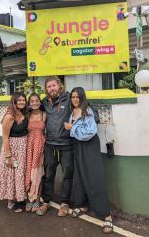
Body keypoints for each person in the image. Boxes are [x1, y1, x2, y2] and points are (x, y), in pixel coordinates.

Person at [64, 87, 113, 234]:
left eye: (78, 97)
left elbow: (90, 132)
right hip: (77, 146)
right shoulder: (72, 112)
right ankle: (82, 204)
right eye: (73, 97)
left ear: (82, 97)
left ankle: (107, 215)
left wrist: (72, 128)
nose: (75, 99)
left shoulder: (88, 111)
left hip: (89, 145)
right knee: (79, 175)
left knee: (94, 177)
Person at [36, 76, 73, 217]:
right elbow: (29, 109)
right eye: (49, 87)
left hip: (66, 145)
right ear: (46, 89)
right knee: (49, 174)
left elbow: (83, 108)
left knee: (67, 174)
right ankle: (46, 201)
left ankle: (64, 203)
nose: (51, 88)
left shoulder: (69, 98)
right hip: (50, 145)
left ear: (59, 85)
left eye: (53, 85)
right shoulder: (44, 102)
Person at [0, 92, 28, 212]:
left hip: (23, 148)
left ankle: (19, 197)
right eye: (19, 100)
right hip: (12, 149)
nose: (21, 102)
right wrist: (8, 156)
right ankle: (11, 201)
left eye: (23, 100)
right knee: (11, 172)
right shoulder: (9, 116)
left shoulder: (25, 113)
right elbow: (5, 137)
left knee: (20, 173)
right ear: (14, 102)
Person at [25, 93, 46, 212]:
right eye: (32, 101)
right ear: (29, 103)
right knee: (28, 172)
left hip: (40, 147)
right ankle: (29, 200)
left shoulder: (44, 115)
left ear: (40, 102)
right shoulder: (26, 116)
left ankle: (37, 200)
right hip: (29, 147)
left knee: (38, 173)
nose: (34, 103)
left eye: (36, 100)